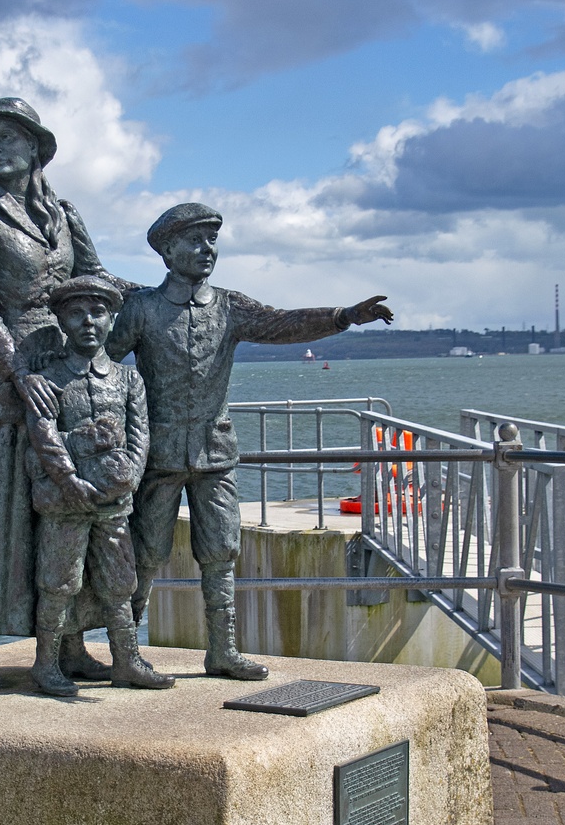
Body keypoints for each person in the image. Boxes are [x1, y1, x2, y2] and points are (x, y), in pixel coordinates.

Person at [108, 203, 394, 680]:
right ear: (167, 250)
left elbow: (281, 324)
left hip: (215, 454)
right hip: (157, 456)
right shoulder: (141, 309)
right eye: (195, 240)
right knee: (147, 552)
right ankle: (127, 655)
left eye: (212, 240)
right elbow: (104, 365)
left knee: (222, 552)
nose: (207, 249)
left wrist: (343, 316)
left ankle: (222, 651)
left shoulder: (228, 306)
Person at [0, 97, 128, 688]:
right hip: (6, 378)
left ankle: (70, 641)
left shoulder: (63, 213)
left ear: (36, 146)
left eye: (7, 137)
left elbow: (96, 278)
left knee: (68, 508)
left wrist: (164, 293)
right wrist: (18, 372)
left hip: (66, 369)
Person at [23, 275, 172, 696]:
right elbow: (42, 434)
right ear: (61, 321)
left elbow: (140, 435)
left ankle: (127, 660)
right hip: (63, 502)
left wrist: (130, 479)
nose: (88, 321)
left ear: (111, 320)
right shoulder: (47, 376)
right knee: (59, 581)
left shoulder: (128, 379)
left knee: (119, 581)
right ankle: (46, 663)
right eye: (76, 313)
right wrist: (69, 479)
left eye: (98, 312)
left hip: (113, 503)